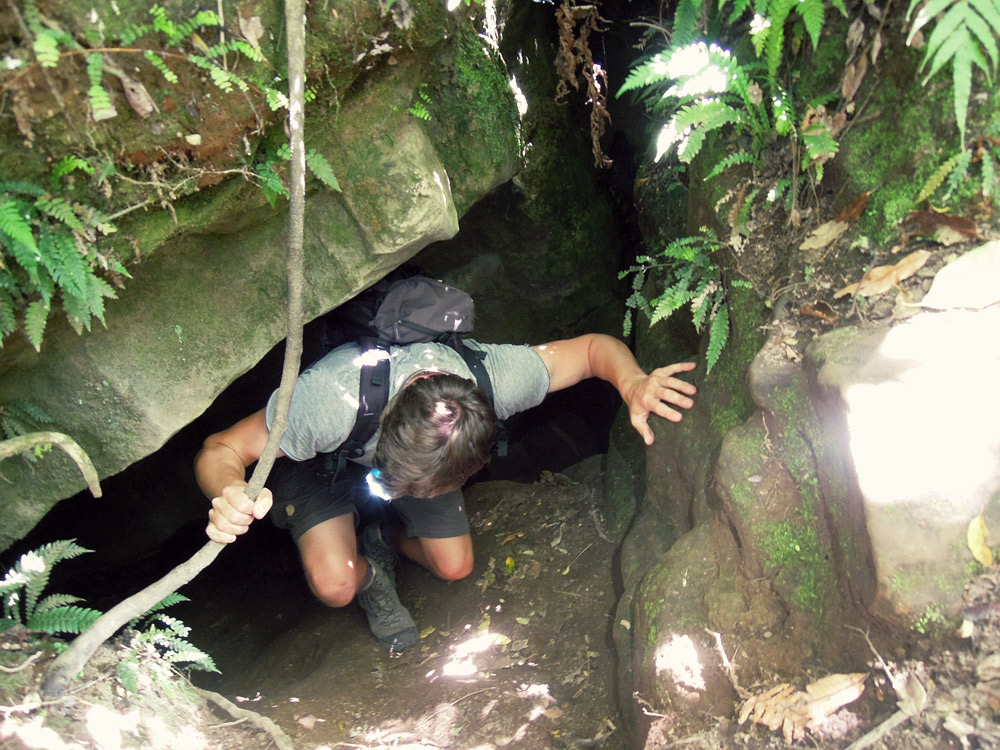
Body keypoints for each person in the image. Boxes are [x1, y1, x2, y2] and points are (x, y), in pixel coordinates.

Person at [195, 333, 696, 651]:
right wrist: (231, 491)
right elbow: (221, 447)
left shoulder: (495, 381)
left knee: (455, 566)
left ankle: (381, 541)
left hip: (417, 463)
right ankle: (370, 579)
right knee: (335, 585)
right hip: (319, 464)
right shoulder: (325, 404)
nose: (397, 492)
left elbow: (591, 351)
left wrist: (631, 382)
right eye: (399, 486)